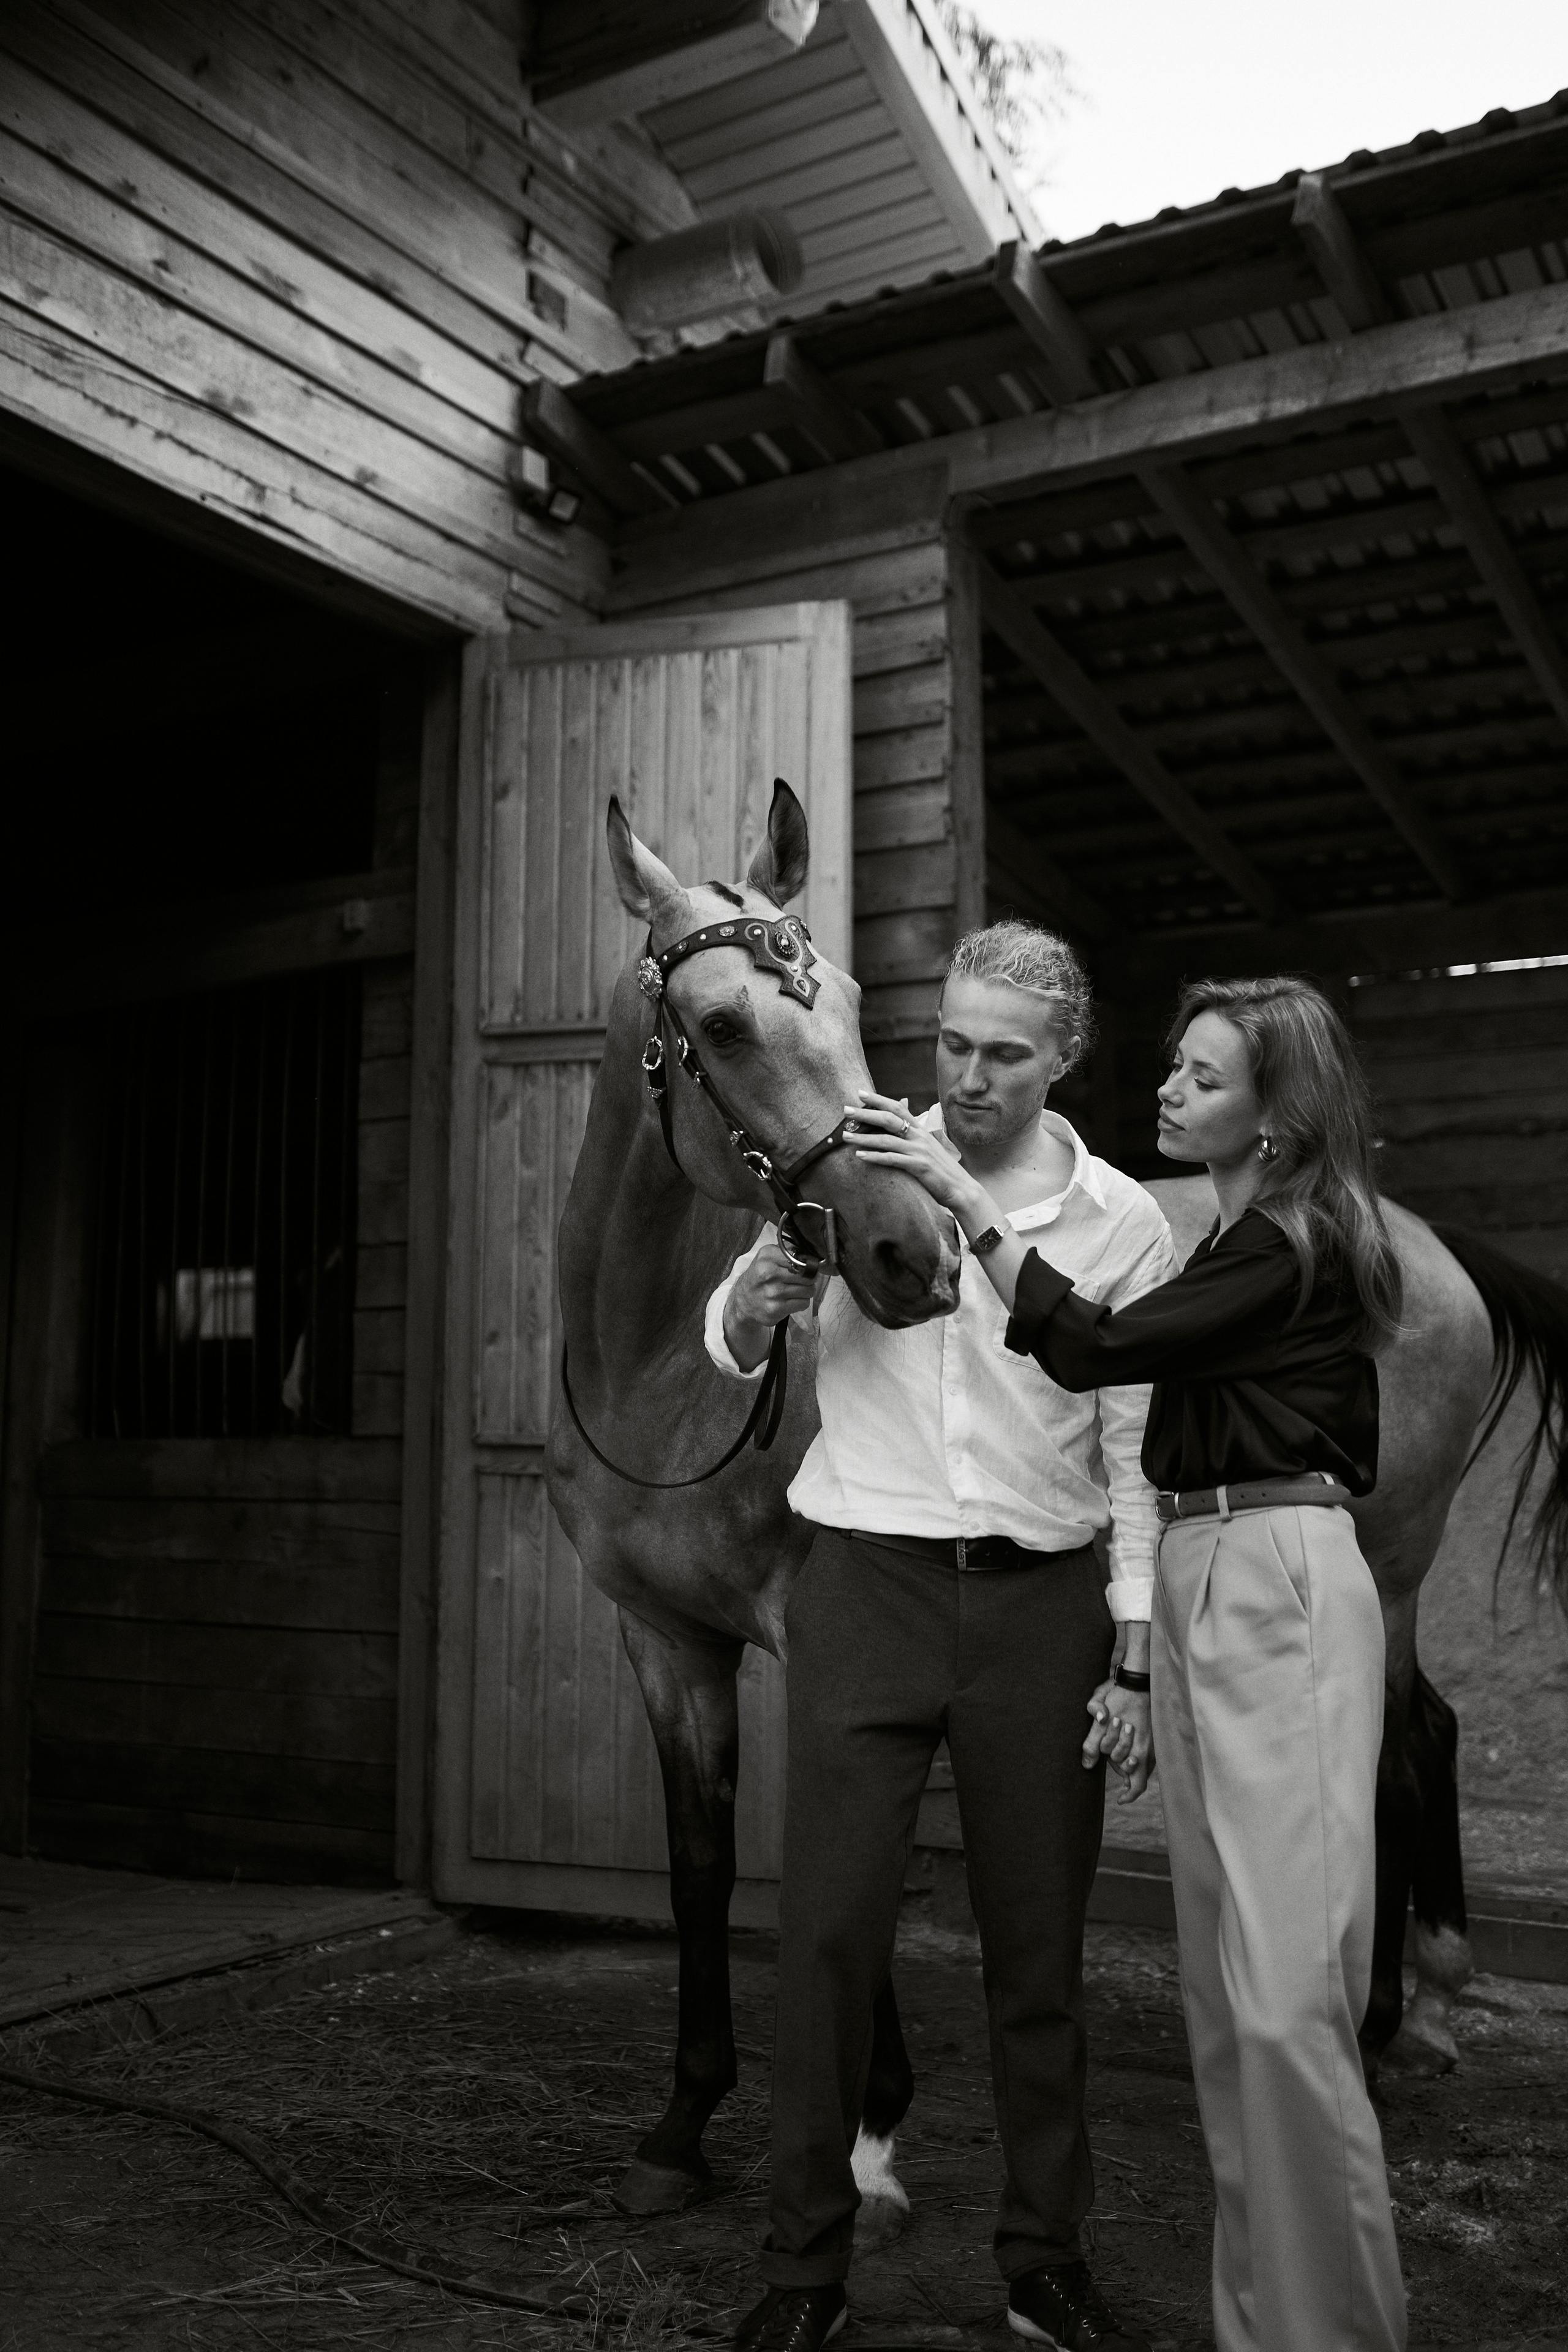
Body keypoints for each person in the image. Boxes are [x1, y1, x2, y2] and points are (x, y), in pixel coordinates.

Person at [856, 973, 1408, 2352]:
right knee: (1228, 2005)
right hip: (1215, 1570)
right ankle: (1261, 2323)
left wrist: (965, 1204)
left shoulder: (1283, 1243)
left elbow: (1094, 1348)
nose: (1167, 1089)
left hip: (1277, 1567)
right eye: (1172, 1066)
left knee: (1286, 2009)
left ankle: (1334, 2335)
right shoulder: (1233, 1233)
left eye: (1204, 1078)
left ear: (1275, 1119)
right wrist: (1145, 1655)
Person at [713, 921, 1176, 2352]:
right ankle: (802, 2276)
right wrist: (760, 1298)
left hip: (1039, 1610)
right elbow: (724, 1341)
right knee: (828, 1940)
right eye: (951, 1045)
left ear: (1063, 1062)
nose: (965, 1079)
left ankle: (1042, 2263)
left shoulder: (1121, 1223)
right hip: (863, 1583)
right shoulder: (854, 1154)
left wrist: (1130, 1650)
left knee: (1036, 1958)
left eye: (1002, 1056)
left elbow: (1131, 1456)